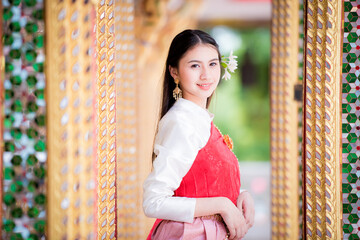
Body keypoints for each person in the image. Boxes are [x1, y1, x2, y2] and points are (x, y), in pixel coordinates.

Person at [143, 29, 255, 240]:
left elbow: (203, 182)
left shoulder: (198, 118)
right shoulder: (181, 123)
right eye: (195, 65)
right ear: (174, 71)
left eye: (212, 64)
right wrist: (222, 205)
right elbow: (153, 201)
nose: (206, 75)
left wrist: (240, 195)